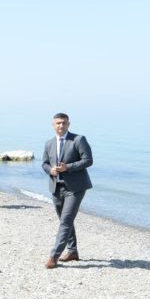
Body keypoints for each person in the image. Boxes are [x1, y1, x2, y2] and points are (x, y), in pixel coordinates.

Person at [41, 113, 93, 269]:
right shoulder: (49, 143)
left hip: (75, 188)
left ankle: (54, 256)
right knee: (65, 221)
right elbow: (44, 163)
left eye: (64, 123)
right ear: (53, 125)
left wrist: (68, 167)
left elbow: (88, 160)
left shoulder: (78, 140)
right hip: (56, 187)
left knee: (65, 221)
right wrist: (50, 170)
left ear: (68, 124)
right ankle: (72, 251)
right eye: (58, 123)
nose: (61, 125)